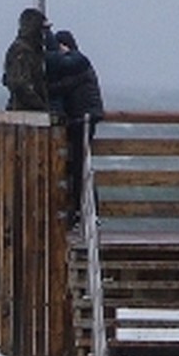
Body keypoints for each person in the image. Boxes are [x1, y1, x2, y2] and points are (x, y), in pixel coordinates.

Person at [47, 29, 104, 224]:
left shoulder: (78, 62)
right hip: (81, 119)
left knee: (81, 166)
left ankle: (86, 211)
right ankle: (82, 210)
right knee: (78, 165)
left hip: (84, 119)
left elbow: (64, 86)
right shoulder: (77, 64)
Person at [2, 7, 49, 112]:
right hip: (23, 112)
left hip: (30, 112)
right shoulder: (22, 51)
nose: (44, 35)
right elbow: (19, 84)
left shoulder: (34, 50)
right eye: (41, 30)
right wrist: (40, 105)